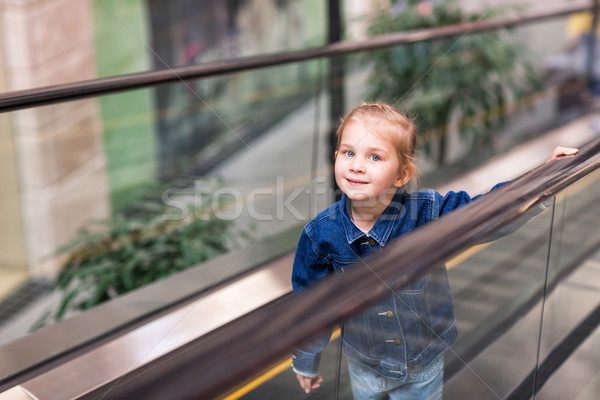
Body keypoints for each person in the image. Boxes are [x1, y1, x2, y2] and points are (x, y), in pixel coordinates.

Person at [291, 102, 578, 400]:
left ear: (402, 175)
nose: (356, 165)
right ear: (336, 156)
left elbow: (485, 215)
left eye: (374, 156)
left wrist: (541, 181)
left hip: (422, 363)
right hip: (365, 365)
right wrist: (306, 361)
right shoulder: (320, 235)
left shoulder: (425, 212)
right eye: (348, 152)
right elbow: (311, 306)